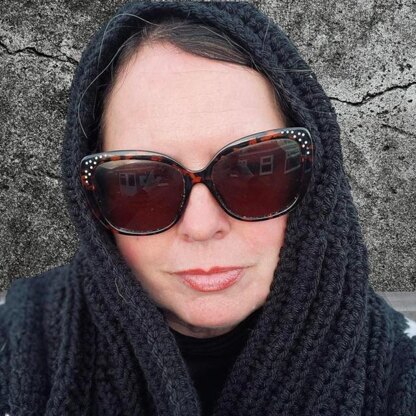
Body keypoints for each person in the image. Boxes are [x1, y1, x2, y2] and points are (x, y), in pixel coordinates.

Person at [0, 2, 415, 415]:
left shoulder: (399, 372)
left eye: (253, 171)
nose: (201, 226)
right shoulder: (16, 348)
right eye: (142, 182)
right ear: (91, 202)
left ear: (316, 180)